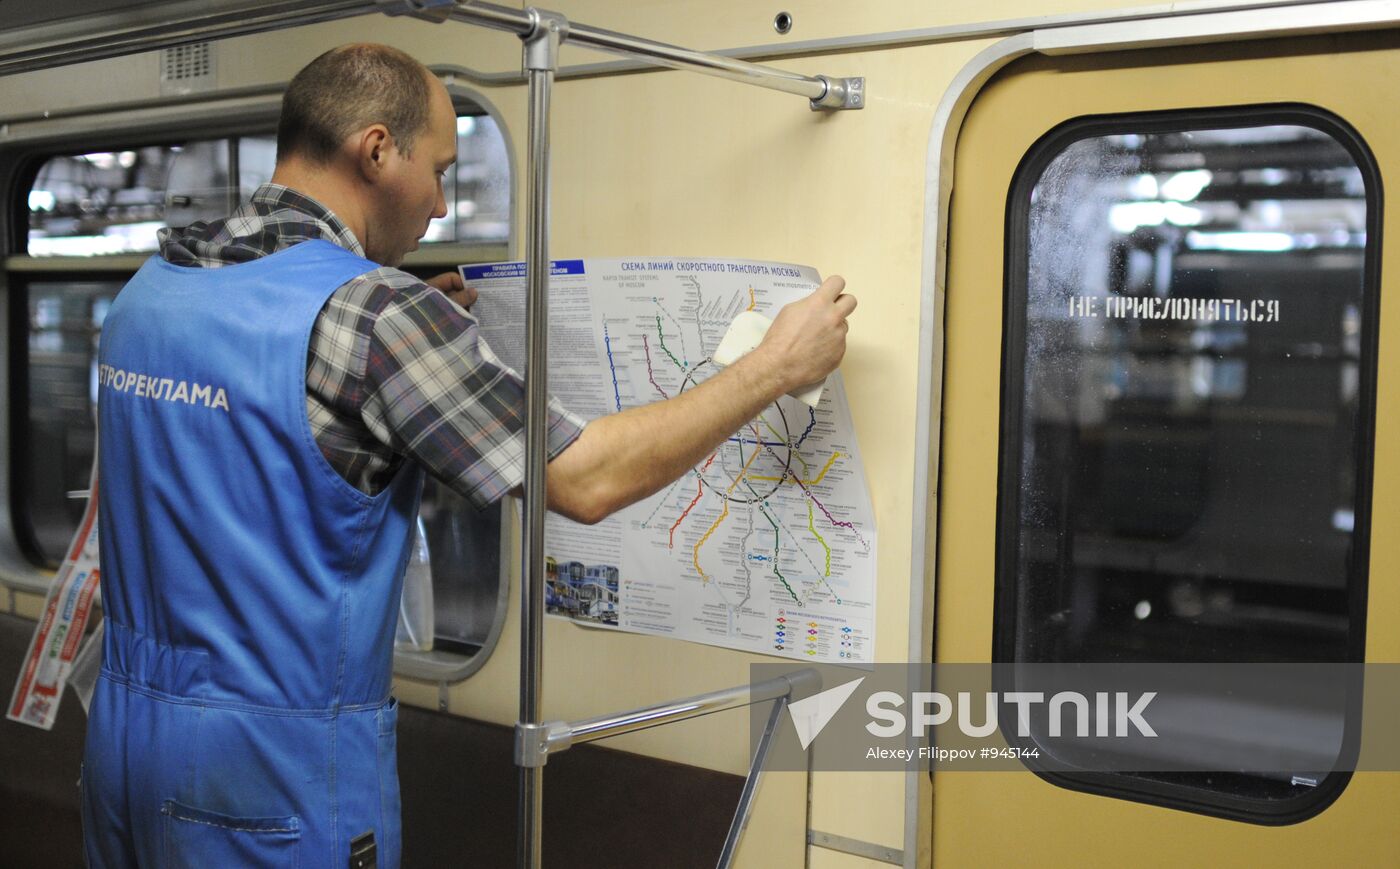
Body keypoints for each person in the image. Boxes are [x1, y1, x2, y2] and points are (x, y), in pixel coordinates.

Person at [82, 43, 855, 868]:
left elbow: (236, 459)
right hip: (273, 775)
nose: (442, 206)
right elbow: (587, 477)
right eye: (439, 170)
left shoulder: (152, 289)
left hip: (122, 739)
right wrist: (773, 367)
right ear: (376, 150)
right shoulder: (379, 317)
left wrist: (418, 347)